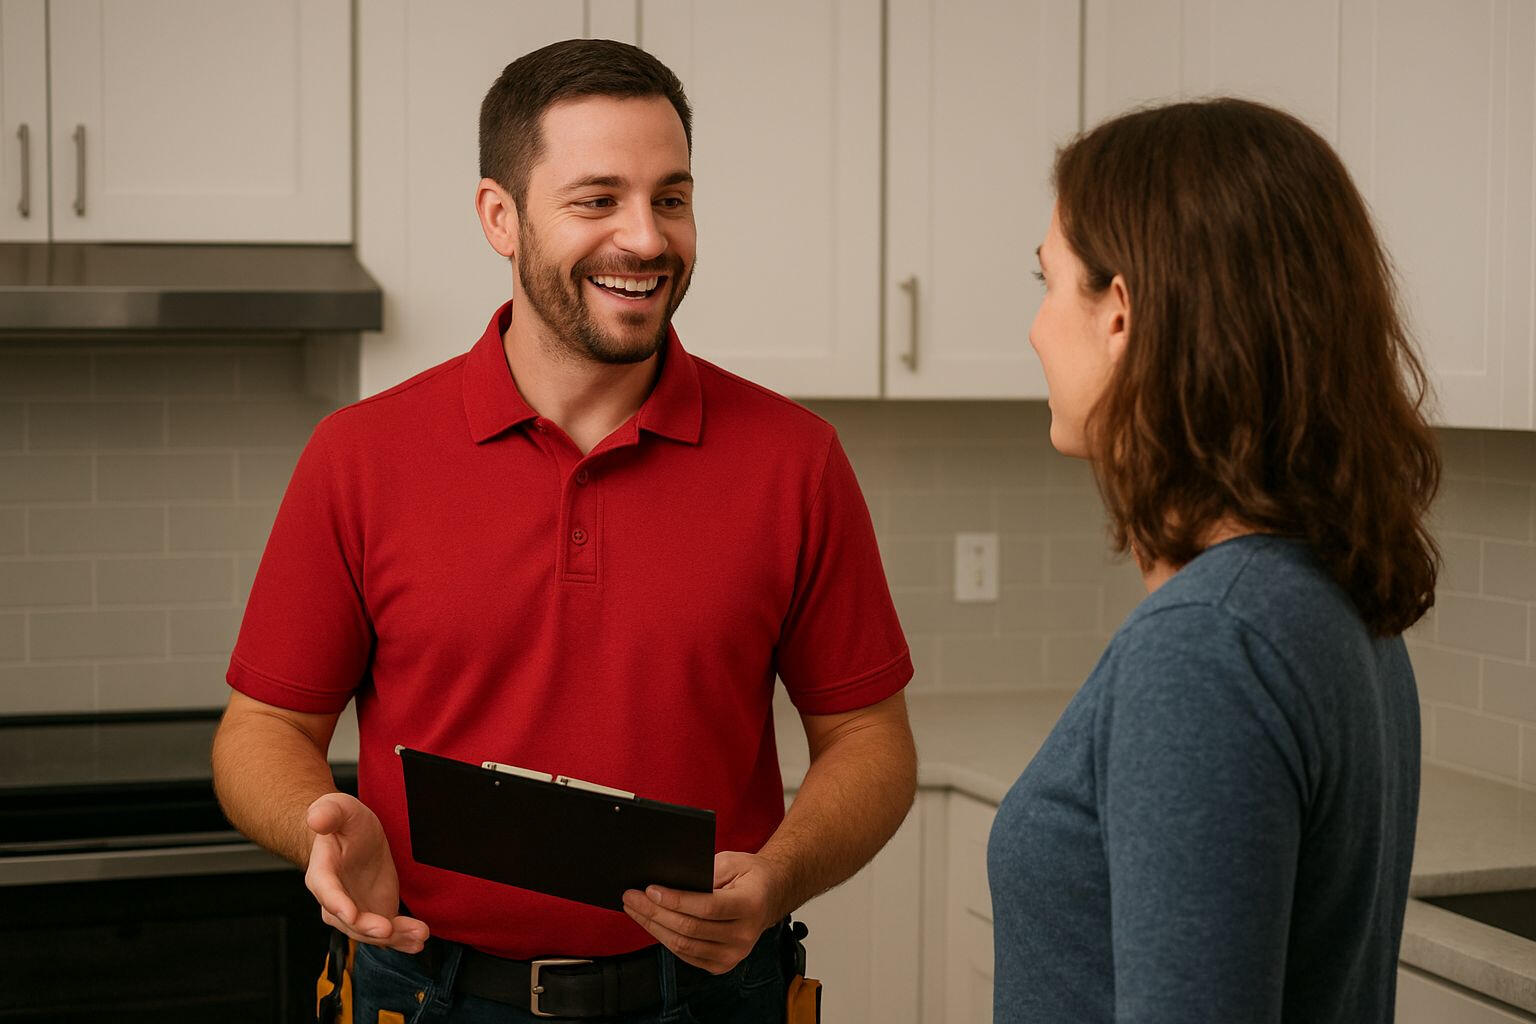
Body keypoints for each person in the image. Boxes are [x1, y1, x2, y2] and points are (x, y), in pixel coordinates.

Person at [211, 38, 917, 1024]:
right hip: (427, 994)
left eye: (671, 198)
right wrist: (317, 824)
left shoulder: (795, 461)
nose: (647, 238)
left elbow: (872, 742)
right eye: (598, 200)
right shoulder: (360, 456)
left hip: (713, 998)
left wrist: (779, 874)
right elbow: (262, 730)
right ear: (500, 217)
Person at [988, 97, 1439, 1023]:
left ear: (1121, 314)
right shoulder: (1330, 598)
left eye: (1047, 281)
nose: (1034, 328)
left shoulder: (1206, 646)